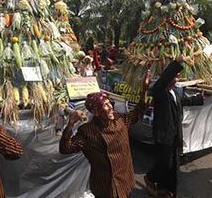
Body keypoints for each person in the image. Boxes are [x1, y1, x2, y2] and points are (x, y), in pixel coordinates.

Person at [59, 69, 152, 198]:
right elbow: (65, 148)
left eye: (110, 104)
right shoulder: (87, 132)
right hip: (105, 186)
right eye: (106, 106)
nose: (111, 108)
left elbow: (138, 111)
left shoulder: (120, 120)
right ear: (96, 112)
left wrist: (144, 89)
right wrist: (71, 124)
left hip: (125, 180)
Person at [144, 55, 205, 197]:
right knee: (165, 164)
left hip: (174, 133)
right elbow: (165, 78)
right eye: (174, 76)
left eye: (178, 77)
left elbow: (185, 100)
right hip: (163, 133)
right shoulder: (159, 90)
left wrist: (202, 97)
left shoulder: (175, 92)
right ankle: (150, 178)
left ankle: (165, 188)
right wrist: (176, 62)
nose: (176, 78)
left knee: (172, 165)